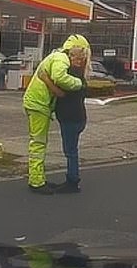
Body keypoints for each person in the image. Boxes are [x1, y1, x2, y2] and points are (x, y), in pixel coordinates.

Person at [22, 34, 90, 195]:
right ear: (73, 51)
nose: (78, 59)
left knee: (42, 144)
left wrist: (47, 80)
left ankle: (38, 178)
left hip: (39, 104)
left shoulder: (57, 57)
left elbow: (59, 88)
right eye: (78, 55)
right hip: (39, 104)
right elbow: (60, 78)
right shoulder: (62, 59)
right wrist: (79, 84)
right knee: (38, 143)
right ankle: (36, 182)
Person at [38, 63, 87, 194]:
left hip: (71, 119)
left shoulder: (72, 77)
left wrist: (46, 79)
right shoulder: (80, 76)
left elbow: (60, 93)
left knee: (70, 151)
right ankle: (72, 179)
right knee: (71, 150)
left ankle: (72, 181)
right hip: (77, 118)